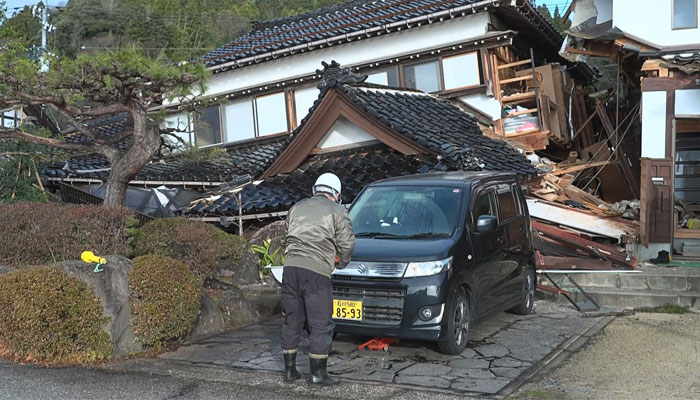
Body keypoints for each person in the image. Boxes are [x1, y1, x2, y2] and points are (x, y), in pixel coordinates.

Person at [280, 173, 355, 385]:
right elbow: (347, 244)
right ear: (337, 194)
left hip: (291, 269)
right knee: (320, 322)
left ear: (315, 190)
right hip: (317, 271)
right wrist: (340, 263)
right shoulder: (338, 211)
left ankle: (289, 371)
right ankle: (318, 374)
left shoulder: (297, 207)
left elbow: (287, 235)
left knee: (292, 320)